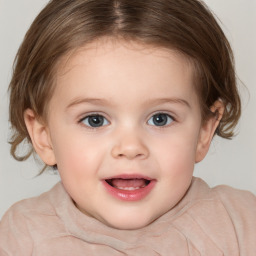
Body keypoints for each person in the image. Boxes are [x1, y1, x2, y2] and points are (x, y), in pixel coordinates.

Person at [0, 0, 255, 255]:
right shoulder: (22, 236)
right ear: (44, 136)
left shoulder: (240, 225)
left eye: (160, 118)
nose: (130, 147)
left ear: (204, 130)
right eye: (95, 120)